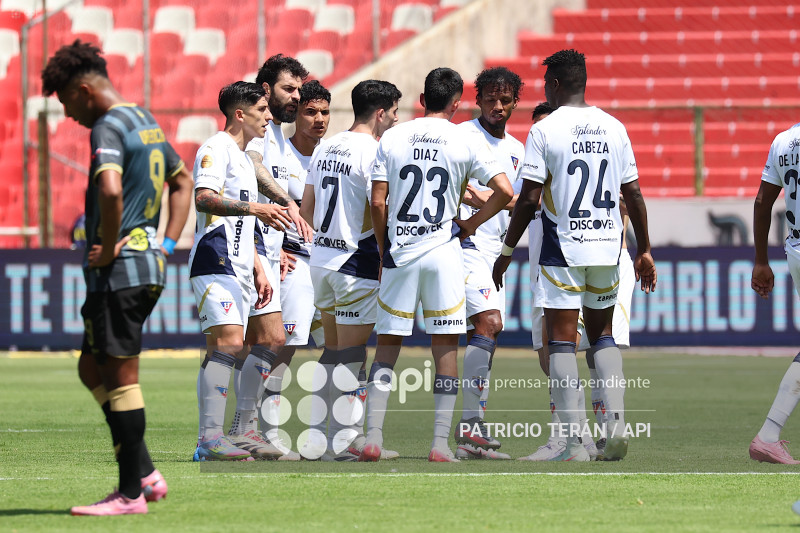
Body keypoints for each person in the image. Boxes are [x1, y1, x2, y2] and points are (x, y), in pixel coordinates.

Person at [42, 39, 192, 515]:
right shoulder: (141, 118)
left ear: (84, 91)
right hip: (147, 266)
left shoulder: (106, 124)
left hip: (121, 273)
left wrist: (106, 247)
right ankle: (144, 469)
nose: (68, 114)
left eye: (66, 102)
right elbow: (182, 180)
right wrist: (165, 244)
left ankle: (130, 495)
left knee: (123, 378)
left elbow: (109, 189)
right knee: (92, 367)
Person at [493, 49, 656, 462]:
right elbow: (633, 194)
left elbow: (529, 199)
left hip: (563, 249)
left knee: (562, 343)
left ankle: (575, 444)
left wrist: (507, 249)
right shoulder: (614, 127)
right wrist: (645, 249)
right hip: (607, 246)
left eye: (547, 82)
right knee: (603, 336)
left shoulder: (546, 130)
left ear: (557, 85)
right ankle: (616, 423)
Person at [361, 67, 513, 463]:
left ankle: (373, 437)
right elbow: (505, 192)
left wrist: (384, 246)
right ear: (457, 102)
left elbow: (378, 201)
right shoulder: (463, 138)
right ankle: (440, 444)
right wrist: (471, 225)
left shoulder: (394, 136)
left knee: (387, 346)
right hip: (444, 251)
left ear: (422, 98)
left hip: (401, 251)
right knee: (445, 347)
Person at [298, 79, 402, 461]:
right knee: (352, 356)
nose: (394, 120)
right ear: (380, 112)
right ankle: (347, 440)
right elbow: (377, 206)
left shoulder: (326, 146)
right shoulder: (375, 151)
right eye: (393, 112)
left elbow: (306, 209)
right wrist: (381, 246)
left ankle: (319, 438)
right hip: (354, 262)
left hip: (321, 262)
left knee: (333, 353)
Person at [190, 82, 294, 461]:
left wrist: (258, 267)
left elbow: (240, 223)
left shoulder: (243, 156)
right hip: (215, 259)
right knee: (230, 345)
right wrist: (257, 210)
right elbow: (205, 198)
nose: (269, 116)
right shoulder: (215, 148)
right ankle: (210, 439)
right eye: (263, 109)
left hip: (242, 263)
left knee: (273, 338)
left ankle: (244, 430)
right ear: (240, 114)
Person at [453, 67, 525, 461]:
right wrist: (490, 201)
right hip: (464, 242)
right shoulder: (463, 136)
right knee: (489, 324)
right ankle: (469, 429)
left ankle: (470, 433)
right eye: (490, 98)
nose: (497, 106)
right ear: (477, 98)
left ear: (516, 101)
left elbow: (526, 200)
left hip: (495, 249)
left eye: (505, 99)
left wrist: (493, 201)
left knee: (485, 335)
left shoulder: (519, 149)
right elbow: (456, 184)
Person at [244, 54, 314, 460]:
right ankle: (239, 432)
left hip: (272, 256)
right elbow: (251, 172)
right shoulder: (254, 124)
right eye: (290, 89)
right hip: (248, 255)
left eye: (299, 90)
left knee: (263, 344)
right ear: (266, 90)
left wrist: (282, 244)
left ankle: (248, 432)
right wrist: (285, 203)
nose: (296, 97)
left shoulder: (278, 138)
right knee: (250, 345)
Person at [749, 120, 800, 464]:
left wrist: (761, 260)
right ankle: (768, 434)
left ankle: (769, 434)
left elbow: (762, 202)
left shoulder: (784, 140)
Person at [277, 80, 331, 374]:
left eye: (325, 112)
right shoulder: (279, 157)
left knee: (344, 350)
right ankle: (252, 418)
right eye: (311, 112)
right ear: (296, 113)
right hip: (295, 263)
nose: (319, 119)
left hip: (331, 264)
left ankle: (340, 419)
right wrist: (275, 250)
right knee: (285, 349)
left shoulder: (336, 156)